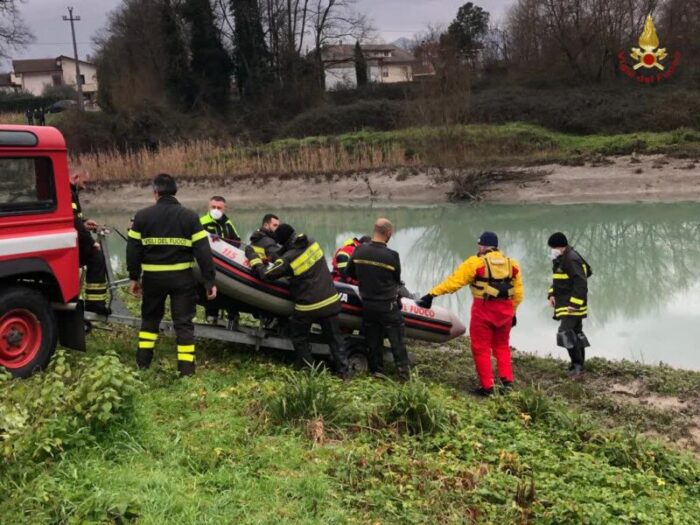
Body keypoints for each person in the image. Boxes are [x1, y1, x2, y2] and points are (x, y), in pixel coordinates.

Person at [127, 174, 217, 377]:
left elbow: (132, 250)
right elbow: (203, 251)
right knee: (183, 324)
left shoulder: (142, 216)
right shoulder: (190, 217)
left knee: (149, 320)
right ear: (175, 192)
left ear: (156, 192)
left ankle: (143, 365)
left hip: (152, 279)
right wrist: (209, 280)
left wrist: (134, 277)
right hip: (182, 279)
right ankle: (186, 371)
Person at [416, 232, 524, 396]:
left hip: (483, 309)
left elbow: (455, 282)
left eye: (479, 245)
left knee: (481, 348)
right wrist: (513, 312)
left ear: (482, 246)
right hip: (506, 311)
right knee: (502, 347)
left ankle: (487, 387)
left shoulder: (476, 263)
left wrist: (432, 294)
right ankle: (507, 382)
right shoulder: (512, 264)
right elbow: (518, 293)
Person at [245, 224, 349, 378]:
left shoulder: (288, 259)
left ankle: (311, 370)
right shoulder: (312, 242)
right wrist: (274, 256)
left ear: (282, 242)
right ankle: (344, 373)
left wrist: (254, 259)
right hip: (330, 301)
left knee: (299, 337)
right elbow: (290, 252)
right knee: (335, 339)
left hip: (308, 306)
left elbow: (266, 275)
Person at [346, 219, 409, 380]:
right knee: (397, 341)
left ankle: (377, 371)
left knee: (373, 340)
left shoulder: (359, 251)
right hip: (387, 305)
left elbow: (350, 273)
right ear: (388, 233)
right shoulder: (392, 256)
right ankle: (403, 374)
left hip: (368, 304)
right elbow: (396, 279)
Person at [547, 232, 592, 378]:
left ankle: (577, 366)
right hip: (566, 303)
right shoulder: (561, 258)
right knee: (575, 333)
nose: (551, 251)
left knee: (565, 332)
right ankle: (577, 365)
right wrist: (551, 294)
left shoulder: (571, 259)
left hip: (572, 305)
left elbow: (581, 282)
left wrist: (575, 304)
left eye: (552, 247)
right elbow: (558, 280)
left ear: (560, 246)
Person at [70, 170, 109, 316]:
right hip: (72, 242)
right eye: (84, 182)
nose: (86, 186)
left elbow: (76, 218)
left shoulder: (71, 191)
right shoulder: (69, 192)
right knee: (96, 257)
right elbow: (73, 221)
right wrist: (91, 242)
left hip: (72, 240)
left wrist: (85, 221)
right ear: (76, 177)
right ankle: (95, 304)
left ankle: (89, 301)